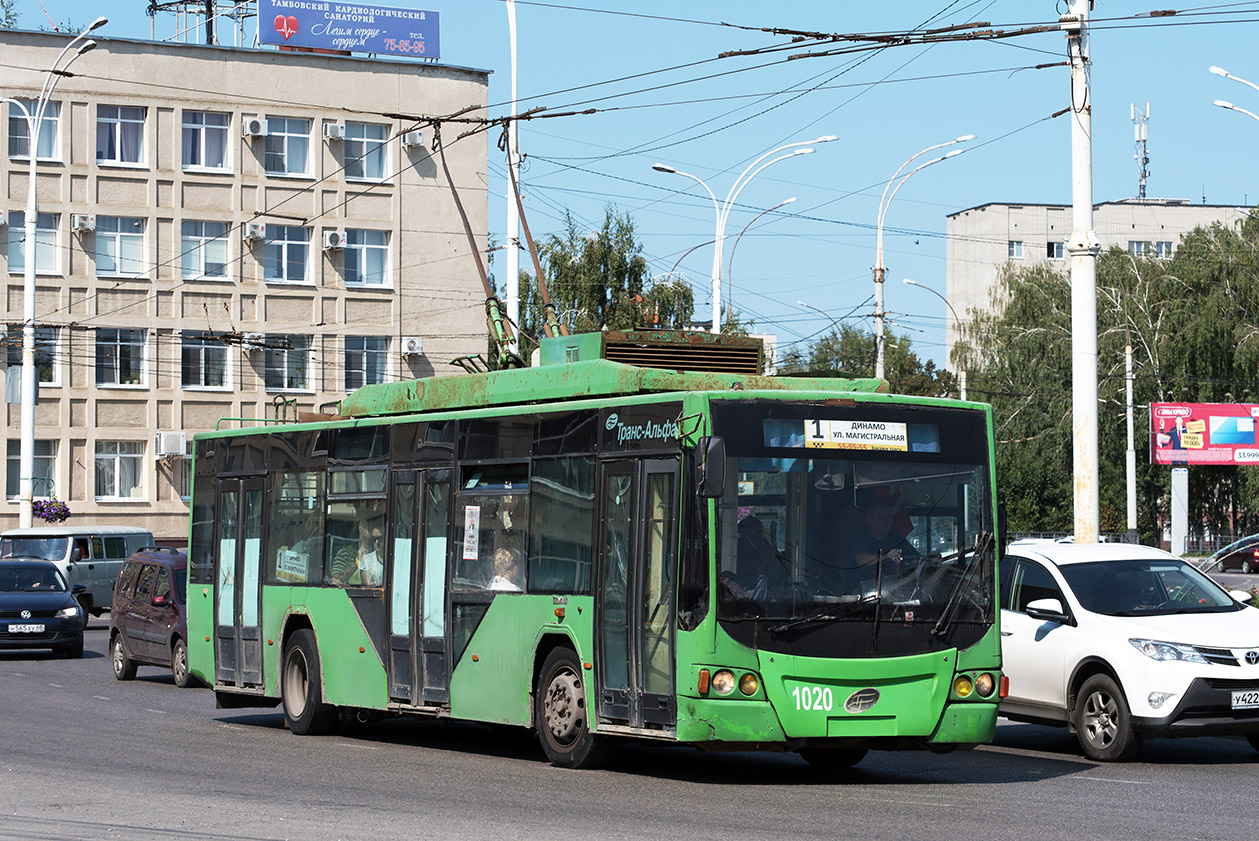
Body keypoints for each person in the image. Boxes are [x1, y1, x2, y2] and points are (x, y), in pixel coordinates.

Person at [845, 497, 919, 590]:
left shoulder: (896, 538)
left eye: (890, 518)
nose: (887, 522)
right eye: (883, 518)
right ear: (869, 518)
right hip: (859, 593)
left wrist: (928, 559)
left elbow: (915, 558)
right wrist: (885, 557)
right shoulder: (859, 538)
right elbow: (861, 559)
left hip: (890, 592)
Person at [332, 514, 386, 586]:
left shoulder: (379, 553)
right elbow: (336, 580)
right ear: (361, 528)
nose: (374, 530)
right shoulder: (345, 553)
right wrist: (356, 562)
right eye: (371, 527)